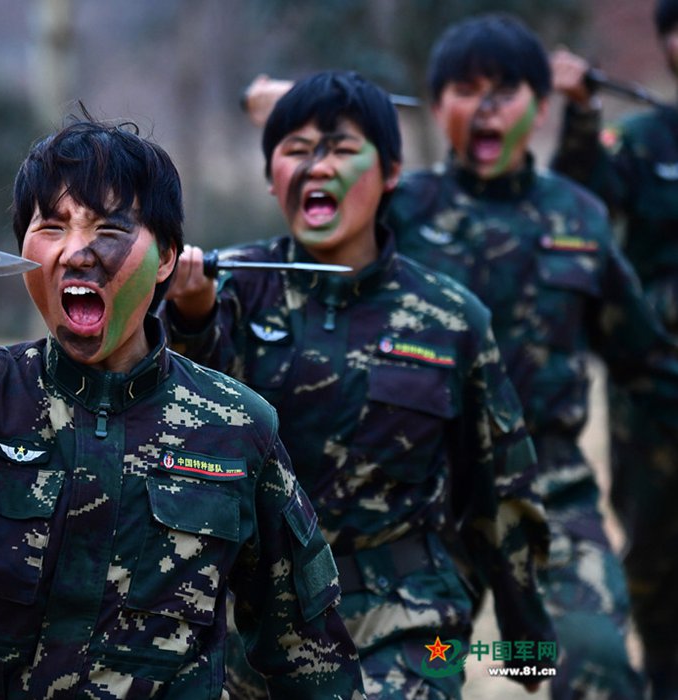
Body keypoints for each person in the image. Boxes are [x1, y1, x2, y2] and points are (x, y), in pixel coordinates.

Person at [0, 118, 366, 698]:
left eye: (109, 228)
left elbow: (305, 645)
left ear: (166, 257)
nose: (76, 252)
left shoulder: (236, 426)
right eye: (51, 226)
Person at [162, 70, 553, 697]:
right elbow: (174, 426)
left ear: (391, 172)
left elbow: (500, 483)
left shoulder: (451, 318)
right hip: (254, 620)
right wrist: (192, 319)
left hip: (405, 606)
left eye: (342, 149)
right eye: (295, 150)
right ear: (270, 178)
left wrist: (525, 626)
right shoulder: (221, 291)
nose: (318, 167)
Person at [378, 13, 678, 698]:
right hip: (425, 503)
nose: (485, 108)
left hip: (549, 498)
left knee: (591, 664)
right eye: (464, 88)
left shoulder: (576, 217)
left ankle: (529, 661)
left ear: (541, 106)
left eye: (504, 91)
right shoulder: (400, 214)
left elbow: (648, 363)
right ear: (437, 102)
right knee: (412, 678)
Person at [549, 4, 678, 695]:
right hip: (653, 395)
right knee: (656, 557)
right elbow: (579, 200)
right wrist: (577, 111)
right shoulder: (642, 144)